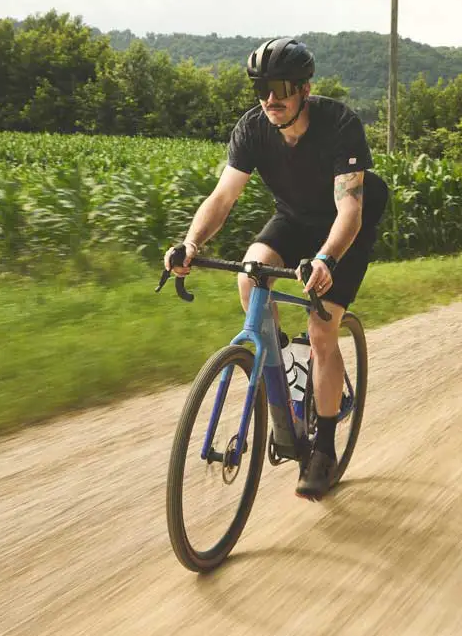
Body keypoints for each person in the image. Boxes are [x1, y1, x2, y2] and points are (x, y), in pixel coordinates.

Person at [163, 37, 388, 500]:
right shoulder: (253, 129)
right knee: (251, 275)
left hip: (345, 225)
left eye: (281, 87)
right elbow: (222, 198)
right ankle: (287, 363)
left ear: (305, 88)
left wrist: (326, 259)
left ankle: (323, 448)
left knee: (322, 328)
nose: (271, 98)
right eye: (262, 88)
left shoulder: (338, 123)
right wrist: (190, 243)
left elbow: (349, 210)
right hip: (295, 217)